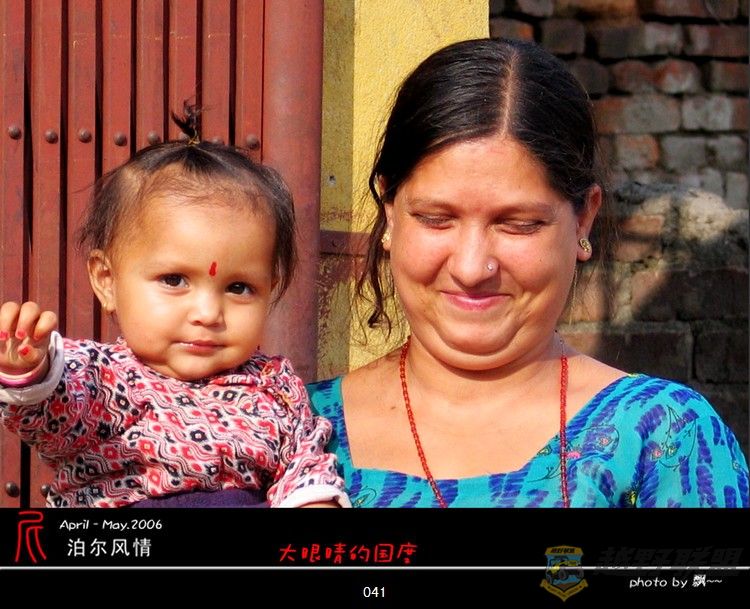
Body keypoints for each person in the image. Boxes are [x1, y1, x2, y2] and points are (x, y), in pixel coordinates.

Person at [308, 38, 749, 508]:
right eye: (435, 219)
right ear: (390, 212)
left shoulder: (666, 439)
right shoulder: (294, 434)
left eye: (518, 225)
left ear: (583, 219)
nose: (471, 267)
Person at [0, 111, 349, 508]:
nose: (207, 313)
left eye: (238, 287)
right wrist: (29, 370)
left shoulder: (274, 389)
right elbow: (51, 409)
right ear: (106, 280)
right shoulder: (101, 379)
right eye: (174, 280)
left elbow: (306, 468)